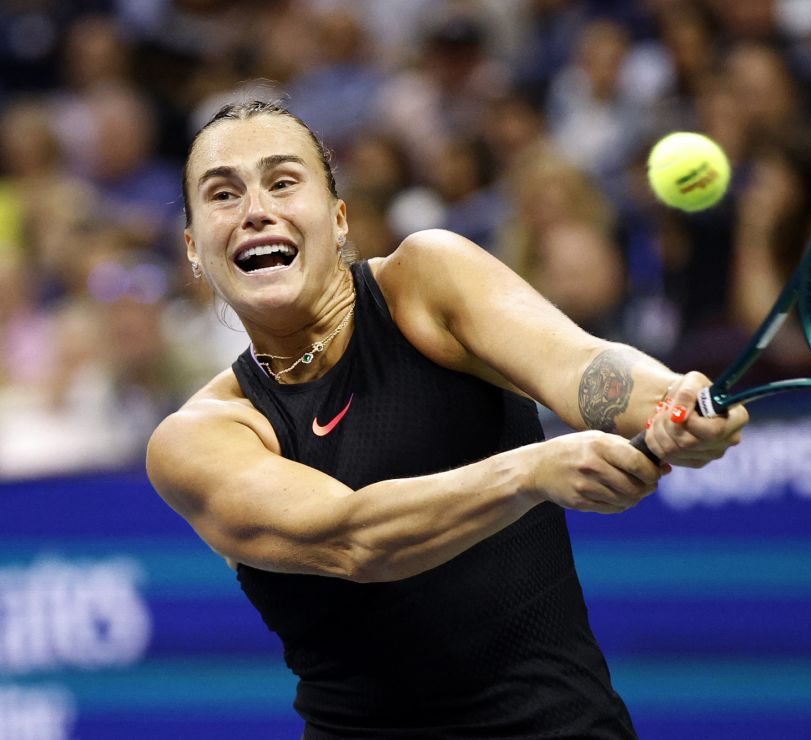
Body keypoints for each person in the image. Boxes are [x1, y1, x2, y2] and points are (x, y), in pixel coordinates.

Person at [145, 100, 747, 739]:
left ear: (339, 218)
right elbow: (351, 537)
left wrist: (667, 401)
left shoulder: (425, 284)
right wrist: (530, 472)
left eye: (284, 181)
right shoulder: (199, 438)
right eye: (222, 194)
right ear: (192, 248)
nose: (255, 210)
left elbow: (581, 367)